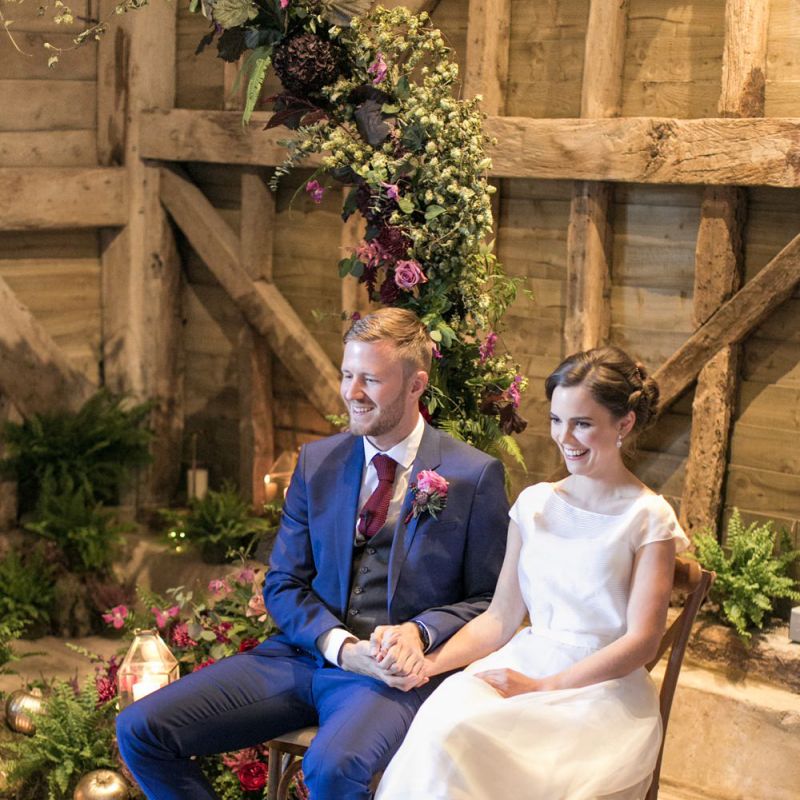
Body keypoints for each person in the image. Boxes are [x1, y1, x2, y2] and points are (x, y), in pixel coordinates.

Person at [116, 308, 509, 800]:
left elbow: (489, 601)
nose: (352, 392)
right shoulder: (317, 462)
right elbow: (283, 583)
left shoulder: (472, 475)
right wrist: (340, 646)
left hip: (390, 679)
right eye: (347, 374)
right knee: (141, 730)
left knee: (332, 768)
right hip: (304, 657)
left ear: (416, 385)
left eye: (371, 379)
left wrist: (420, 632)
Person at [375, 346, 690, 800]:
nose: (565, 437)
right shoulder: (535, 503)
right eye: (557, 420)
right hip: (525, 660)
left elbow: (642, 642)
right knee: (443, 729)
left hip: (599, 693)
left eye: (583, 423)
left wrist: (544, 688)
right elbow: (500, 617)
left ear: (623, 424)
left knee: (482, 749)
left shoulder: (648, 517)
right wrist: (430, 664)